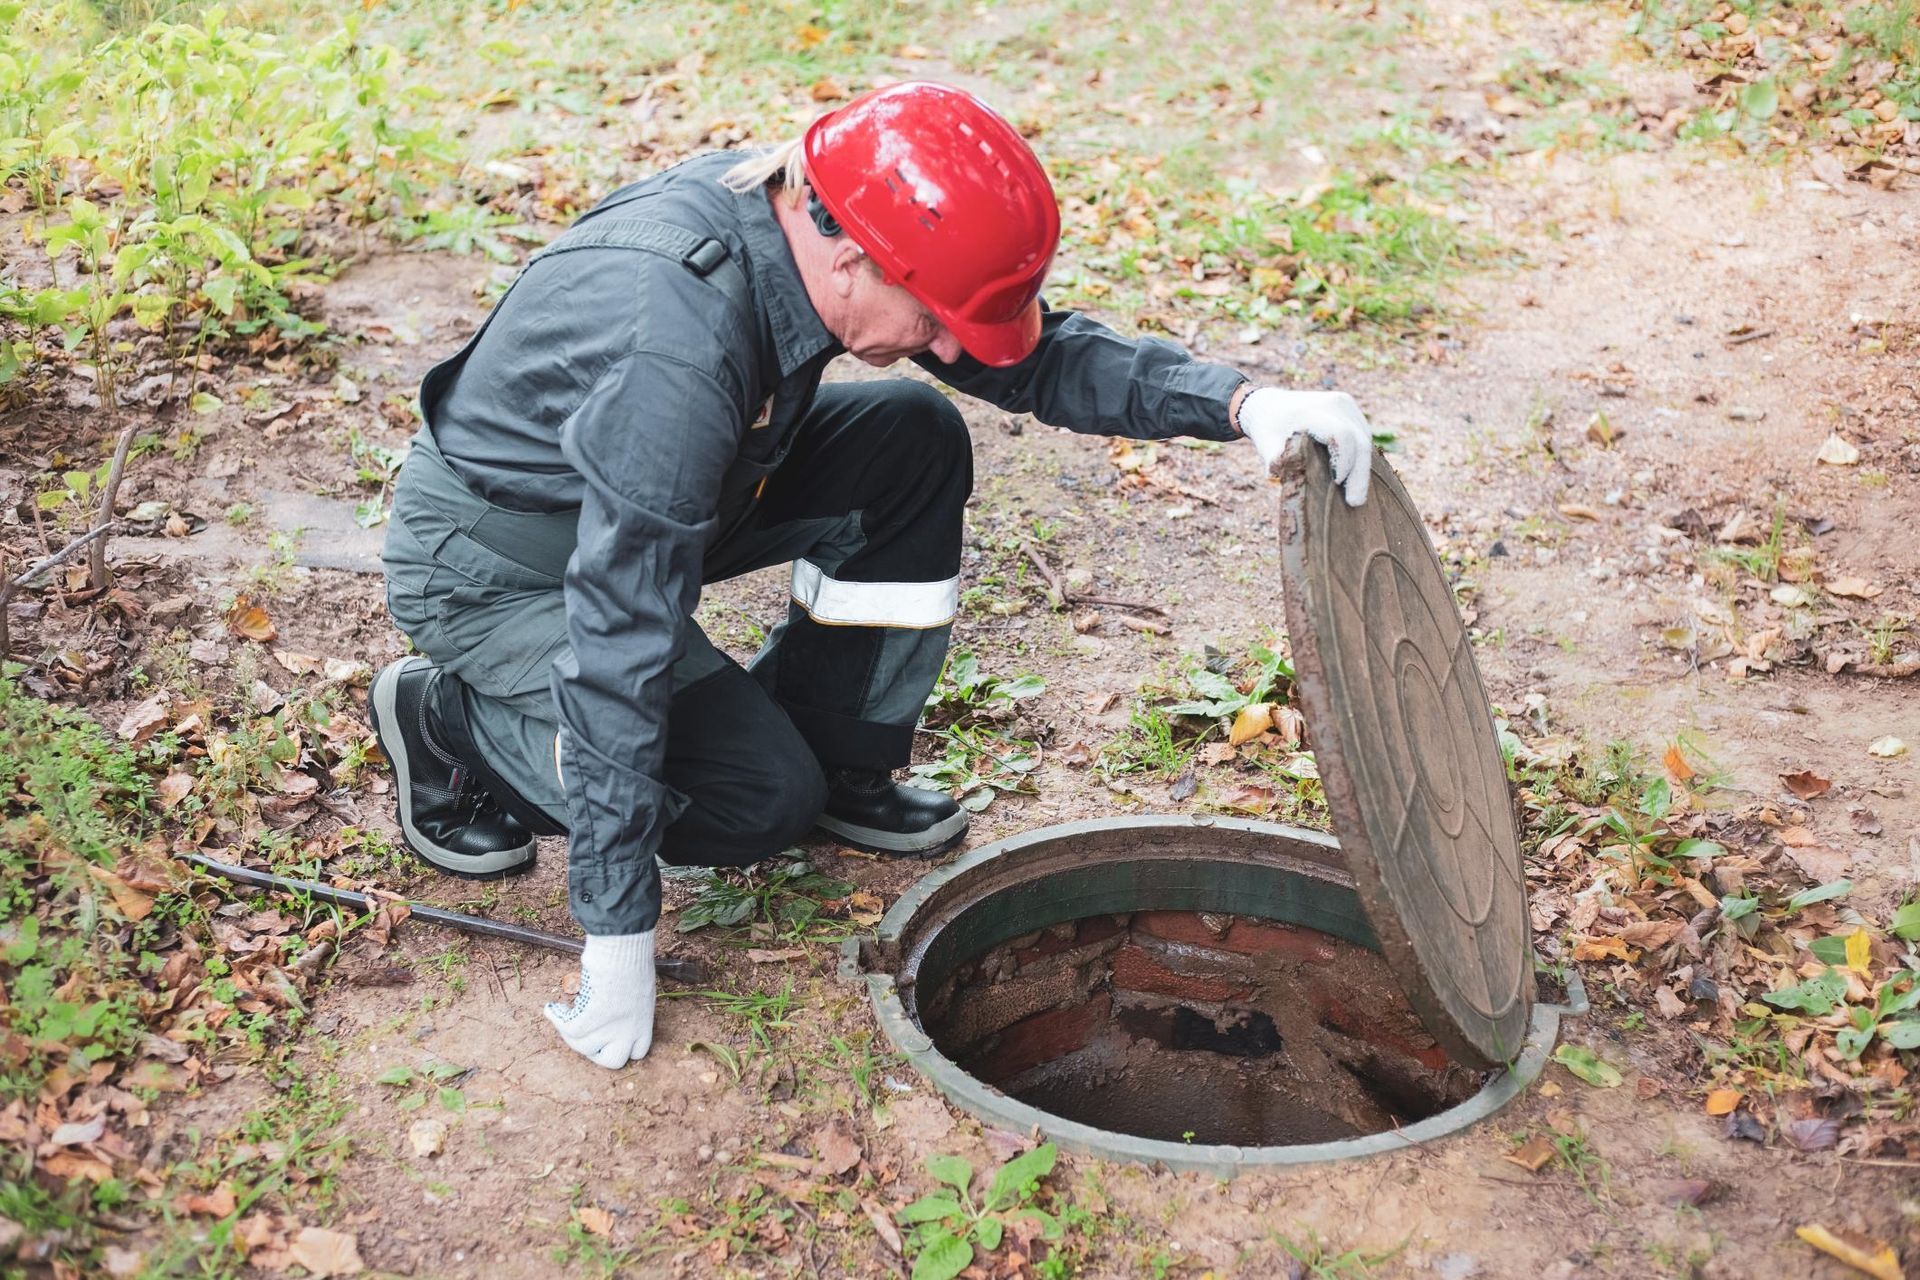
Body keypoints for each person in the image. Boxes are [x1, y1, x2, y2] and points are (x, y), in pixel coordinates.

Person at [368, 81, 1376, 1071]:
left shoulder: (814, 236)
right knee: (753, 798)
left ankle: (838, 756)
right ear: (849, 254)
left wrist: (1241, 403)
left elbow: (1030, 362)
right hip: (507, 564)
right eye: (934, 319)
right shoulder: (673, 346)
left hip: (677, 490)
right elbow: (622, 626)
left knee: (912, 437)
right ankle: (448, 725)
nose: (945, 346)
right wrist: (618, 926)